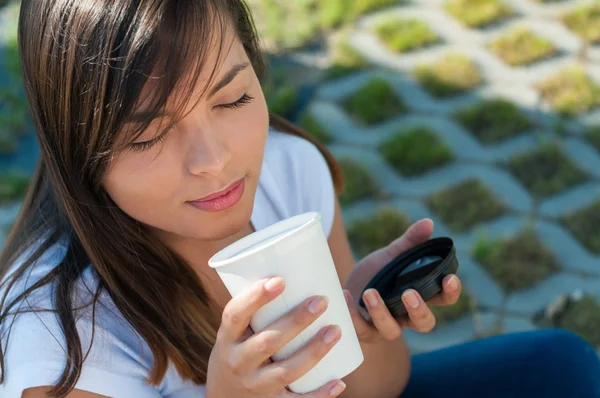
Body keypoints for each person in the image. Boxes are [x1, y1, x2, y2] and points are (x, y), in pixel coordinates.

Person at [0, 1, 599, 397]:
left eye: (232, 99)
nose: (214, 161)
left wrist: (356, 334)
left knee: (558, 366)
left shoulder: (286, 171)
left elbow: (381, 389)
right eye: (149, 134)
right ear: (77, 148)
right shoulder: (59, 336)